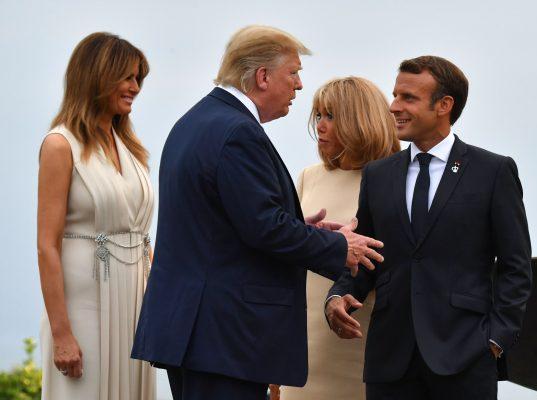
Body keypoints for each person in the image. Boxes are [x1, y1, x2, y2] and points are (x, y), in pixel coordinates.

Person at [131, 26, 384, 400]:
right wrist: (335, 245)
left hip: (193, 331)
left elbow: (228, 221)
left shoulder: (196, 121)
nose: (299, 85)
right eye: (293, 73)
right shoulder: (237, 132)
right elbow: (264, 228)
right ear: (263, 77)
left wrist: (302, 228)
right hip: (223, 335)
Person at [326, 56, 532, 400]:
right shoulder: (378, 175)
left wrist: (495, 340)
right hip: (390, 362)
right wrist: (338, 296)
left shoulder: (493, 172)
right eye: (395, 96)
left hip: (465, 358)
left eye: (408, 98)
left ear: (444, 105)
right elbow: (367, 256)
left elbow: (516, 266)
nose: (393, 107)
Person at [37, 32, 155, 399]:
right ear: (96, 77)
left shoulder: (130, 150)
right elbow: (46, 246)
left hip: (135, 305)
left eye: (138, 78)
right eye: (127, 77)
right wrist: (61, 335)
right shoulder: (60, 145)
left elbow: (141, 234)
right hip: (83, 307)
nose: (135, 87)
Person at [280, 77, 399, 400]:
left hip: (365, 334)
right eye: (318, 116)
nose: (321, 126)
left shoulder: (395, 178)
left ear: (360, 120)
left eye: (331, 116)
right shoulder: (308, 176)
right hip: (306, 337)